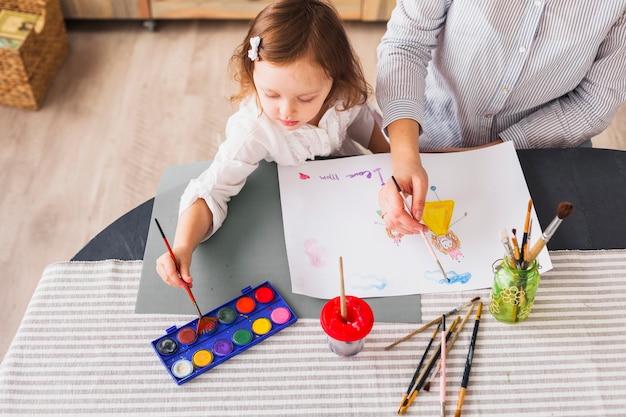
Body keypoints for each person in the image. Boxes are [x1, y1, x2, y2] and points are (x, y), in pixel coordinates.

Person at [156, 0, 389, 289]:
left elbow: (370, 131)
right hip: (286, 217)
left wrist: (400, 163)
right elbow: (212, 189)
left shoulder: (342, 95)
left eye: (305, 99)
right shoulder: (254, 129)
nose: (286, 111)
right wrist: (182, 247)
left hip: (349, 203)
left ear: (335, 78)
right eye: (270, 94)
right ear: (252, 75)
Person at [375, 1, 626, 235]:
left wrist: (494, 151)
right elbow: (405, 45)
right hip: (425, 142)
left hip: (539, 152)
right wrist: (406, 158)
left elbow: (593, 104)